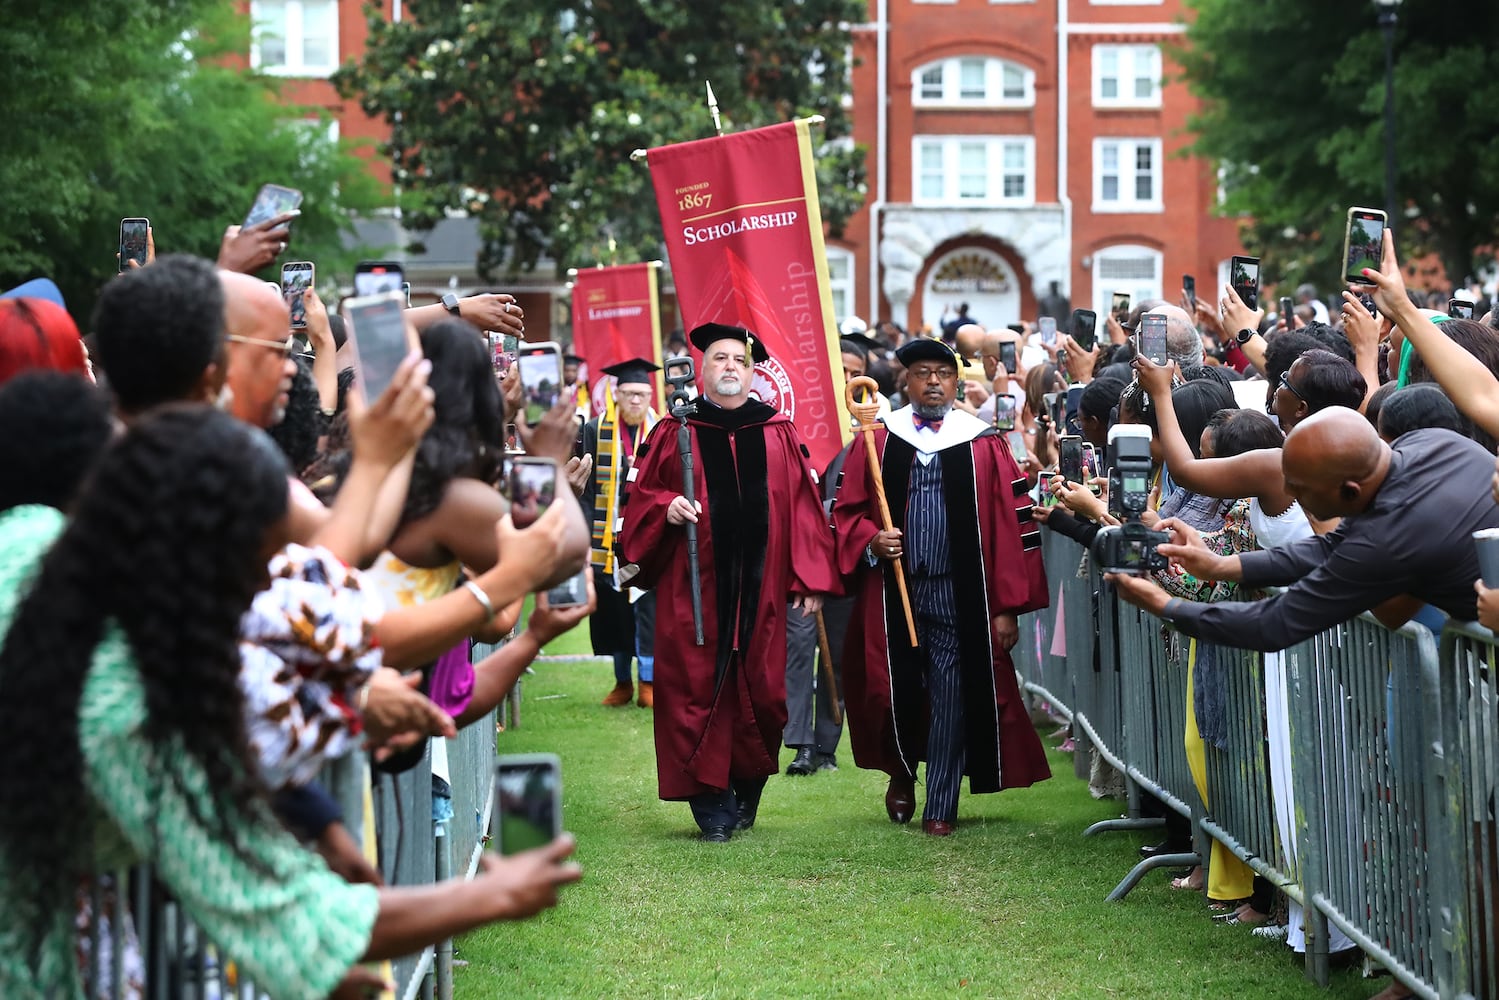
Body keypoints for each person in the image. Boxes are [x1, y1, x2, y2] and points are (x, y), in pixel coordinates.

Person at [0, 408, 581, 998]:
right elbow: (285, 915)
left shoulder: (29, 543)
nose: (277, 602)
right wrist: (489, 895)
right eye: (267, 577)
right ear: (205, 565)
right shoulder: (131, 722)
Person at [618, 323, 838, 842]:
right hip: (693, 592)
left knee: (763, 693)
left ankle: (745, 783)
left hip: (761, 594)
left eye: (740, 359)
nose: (730, 366)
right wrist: (665, 507)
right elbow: (642, 498)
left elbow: (804, 510)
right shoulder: (677, 431)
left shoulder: (777, 431)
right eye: (720, 358)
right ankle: (709, 799)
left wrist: (809, 577)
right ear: (702, 368)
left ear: (753, 370)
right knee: (692, 690)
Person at [833, 338, 1051, 836]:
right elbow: (844, 513)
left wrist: (1006, 608)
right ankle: (902, 772)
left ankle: (941, 802)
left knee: (953, 693)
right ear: (904, 381)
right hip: (895, 590)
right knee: (895, 689)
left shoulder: (982, 441)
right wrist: (872, 539)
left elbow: (1008, 526)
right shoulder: (877, 440)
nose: (934, 381)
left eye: (944, 373)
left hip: (962, 593)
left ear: (957, 382)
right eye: (922, 372)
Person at [1110, 408, 1499, 650]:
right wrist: (1221, 566)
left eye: (1299, 487)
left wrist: (1165, 606)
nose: (1289, 492)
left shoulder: (1385, 539)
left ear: (1349, 491)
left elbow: (1274, 624)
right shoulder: (1432, 443)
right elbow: (1330, 547)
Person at [577, 358, 661, 708]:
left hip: (647, 539)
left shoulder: (662, 430)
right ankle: (622, 682)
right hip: (606, 538)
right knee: (615, 613)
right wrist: (584, 539)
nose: (636, 401)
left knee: (648, 612)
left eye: (642, 394)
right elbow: (585, 489)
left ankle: (649, 683)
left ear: (650, 395)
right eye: (629, 394)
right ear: (617, 394)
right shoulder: (595, 430)